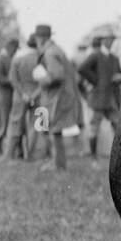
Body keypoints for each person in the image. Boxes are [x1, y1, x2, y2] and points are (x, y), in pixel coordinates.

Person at [32, 23, 83, 172]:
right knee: (55, 130)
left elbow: (56, 75)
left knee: (54, 130)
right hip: (62, 96)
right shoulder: (57, 50)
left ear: (41, 38)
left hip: (56, 97)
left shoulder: (50, 53)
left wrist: (40, 78)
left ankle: (58, 165)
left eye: (36, 38)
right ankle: (58, 164)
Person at [77, 34, 121, 159]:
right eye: (109, 39)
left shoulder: (115, 58)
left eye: (113, 39)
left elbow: (119, 74)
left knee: (118, 125)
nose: (111, 41)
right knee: (94, 128)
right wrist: (96, 81)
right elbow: (82, 69)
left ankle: (119, 156)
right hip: (98, 98)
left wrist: (119, 77)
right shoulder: (95, 55)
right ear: (103, 40)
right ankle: (93, 157)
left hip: (112, 98)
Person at [3, 35, 41, 160]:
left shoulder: (17, 58)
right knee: (36, 125)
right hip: (38, 96)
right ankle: (30, 154)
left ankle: (10, 154)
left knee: (15, 124)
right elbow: (45, 81)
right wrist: (34, 94)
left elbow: (12, 78)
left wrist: (23, 93)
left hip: (19, 96)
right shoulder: (41, 58)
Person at [0, 37, 15, 157]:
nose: (16, 51)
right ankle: (0, 150)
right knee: (3, 124)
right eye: (15, 48)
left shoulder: (10, 58)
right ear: (10, 46)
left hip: (10, 96)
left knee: (10, 124)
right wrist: (12, 81)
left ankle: (8, 151)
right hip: (2, 97)